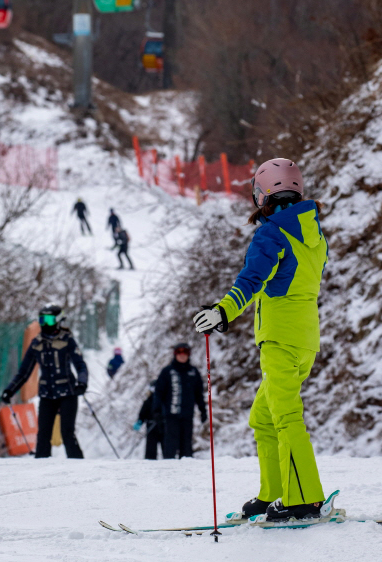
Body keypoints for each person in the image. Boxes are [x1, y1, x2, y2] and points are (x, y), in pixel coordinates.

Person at [193, 158, 329, 522]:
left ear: (263, 194)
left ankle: (304, 499)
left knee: (285, 417)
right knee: (263, 416)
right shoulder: (313, 234)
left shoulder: (272, 234)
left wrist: (221, 312)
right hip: (305, 339)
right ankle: (273, 493)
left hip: (281, 339)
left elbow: (251, 281)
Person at [0, 304, 89, 458]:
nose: (45, 324)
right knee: (43, 435)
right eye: (42, 320)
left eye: (49, 320)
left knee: (67, 432)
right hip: (47, 394)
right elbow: (24, 372)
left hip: (68, 392)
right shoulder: (37, 343)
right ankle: (41, 468)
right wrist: (10, 389)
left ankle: (78, 466)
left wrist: (82, 383)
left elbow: (81, 365)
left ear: (58, 320)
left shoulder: (67, 340)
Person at [152, 342, 206, 459]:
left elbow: (199, 393)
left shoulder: (193, 372)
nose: (182, 355)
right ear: (175, 354)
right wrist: (156, 411)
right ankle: (169, 470)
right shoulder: (167, 372)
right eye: (179, 352)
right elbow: (159, 392)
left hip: (187, 415)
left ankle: (186, 471)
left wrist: (203, 410)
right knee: (170, 445)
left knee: (186, 447)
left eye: (185, 352)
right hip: (171, 415)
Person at [133, 382, 163, 460]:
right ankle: (169, 460)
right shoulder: (163, 400)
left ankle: (152, 462)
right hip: (158, 426)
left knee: (152, 450)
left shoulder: (149, 400)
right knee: (161, 449)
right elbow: (143, 413)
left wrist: (140, 421)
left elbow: (143, 413)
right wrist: (139, 422)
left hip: (156, 426)